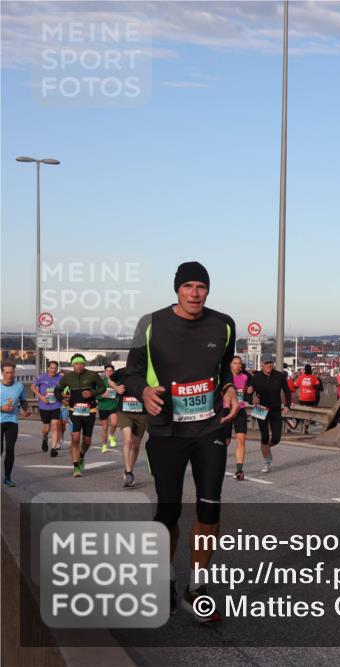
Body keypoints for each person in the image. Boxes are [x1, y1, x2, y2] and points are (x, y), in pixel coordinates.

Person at [123, 261, 238, 621]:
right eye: (187, 286)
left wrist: (230, 387)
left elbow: (224, 368)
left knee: (210, 508)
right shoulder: (151, 323)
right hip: (166, 429)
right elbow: (130, 370)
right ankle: (166, 578)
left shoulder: (225, 324)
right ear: (177, 289)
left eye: (200, 286)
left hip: (209, 429)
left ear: (208, 290)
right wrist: (142, 391)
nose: (194, 293)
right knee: (169, 510)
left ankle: (197, 587)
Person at [56, 354, 104, 477]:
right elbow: (57, 391)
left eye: (81, 363)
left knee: (87, 441)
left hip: (90, 412)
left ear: (84, 364)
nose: (79, 366)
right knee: (75, 438)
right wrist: (62, 400)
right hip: (74, 412)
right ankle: (76, 466)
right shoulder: (67, 377)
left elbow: (103, 388)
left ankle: (81, 455)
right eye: (76, 364)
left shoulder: (92, 375)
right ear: (72, 365)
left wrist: (92, 393)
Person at [249, 358, 291, 473]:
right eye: (267, 363)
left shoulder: (280, 376)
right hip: (260, 409)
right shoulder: (255, 377)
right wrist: (252, 400)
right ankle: (267, 461)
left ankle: (265, 447)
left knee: (276, 438)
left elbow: (287, 391)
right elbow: (247, 393)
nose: (269, 365)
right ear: (262, 364)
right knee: (265, 436)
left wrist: (287, 405)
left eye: (271, 363)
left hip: (275, 409)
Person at [109, 365, 146, 488]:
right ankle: (129, 472)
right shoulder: (124, 370)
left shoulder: (149, 371)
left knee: (136, 445)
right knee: (128, 440)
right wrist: (116, 388)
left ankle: (129, 470)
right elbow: (110, 379)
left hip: (142, 413)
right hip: (124, 411)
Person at [2, 361, 33, 487]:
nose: (10, 375)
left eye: (12, 372)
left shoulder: (19, 386)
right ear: (2, 373)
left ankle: (7, 478)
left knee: (10, 450)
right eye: (7, 373)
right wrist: (1, 408)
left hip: (12, 421)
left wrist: (27, 409)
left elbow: (23, 400)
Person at [225, 356, 253, 480]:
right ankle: (215, 463)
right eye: (235, 363)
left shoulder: (245, 377)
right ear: (230, 365)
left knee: (241, 440)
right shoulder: (225, 378)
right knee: (226, 441)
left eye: (239, 364)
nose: (238, 366)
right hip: (227, 411)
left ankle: (239, 470)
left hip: (240, 410)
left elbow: (246, 395)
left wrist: (250, 393)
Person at [32, 360, 64, 457]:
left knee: (55, 425)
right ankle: (45, 438)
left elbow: (65, 389)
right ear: (48, 368)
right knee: (46, 428)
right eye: (52, 368)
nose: (54, 370)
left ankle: (53, 448)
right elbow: (32, 387)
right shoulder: (42, 377)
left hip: (56, 405)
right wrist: (41, 397)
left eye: (55, 368)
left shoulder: (60, 378)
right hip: (44, 406)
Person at [98, 364, 120, 453]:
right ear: (104, 372)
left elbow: (120, 391)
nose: (109, 372)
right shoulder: (101, 382)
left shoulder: (117, 382)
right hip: (103, 406)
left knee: (114, 424)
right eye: (107, 371)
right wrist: (101, 395)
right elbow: (95, 394)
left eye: (111, 371)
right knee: (104, 427)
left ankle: (111, 436)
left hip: (114, 405)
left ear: (113, 372)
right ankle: (104, 445)